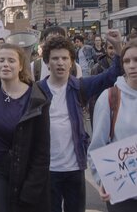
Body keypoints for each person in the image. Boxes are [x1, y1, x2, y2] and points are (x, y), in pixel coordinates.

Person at [38, 31, 123, 212]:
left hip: (75, 169)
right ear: (47, 62)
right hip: (47, 170)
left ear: (71, 62)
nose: (60, 63)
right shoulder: (36, 91)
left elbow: (112, 74)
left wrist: (117, 47)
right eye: (55, 59)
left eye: (64, 58)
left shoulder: (80, 87)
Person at [0, 43, 51, 212]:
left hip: (25, 172)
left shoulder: (37, 100)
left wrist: (32, 188)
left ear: (20, 66)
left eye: (11, 60)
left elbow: (42, 150)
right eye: (1, 60)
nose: (5, 64)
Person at [88, 41, 137, 211]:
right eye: (127, 61)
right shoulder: (110, 97)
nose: (132, 66)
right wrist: (103, 180)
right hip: (124, 193)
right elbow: (97, 146)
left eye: (136, 60)